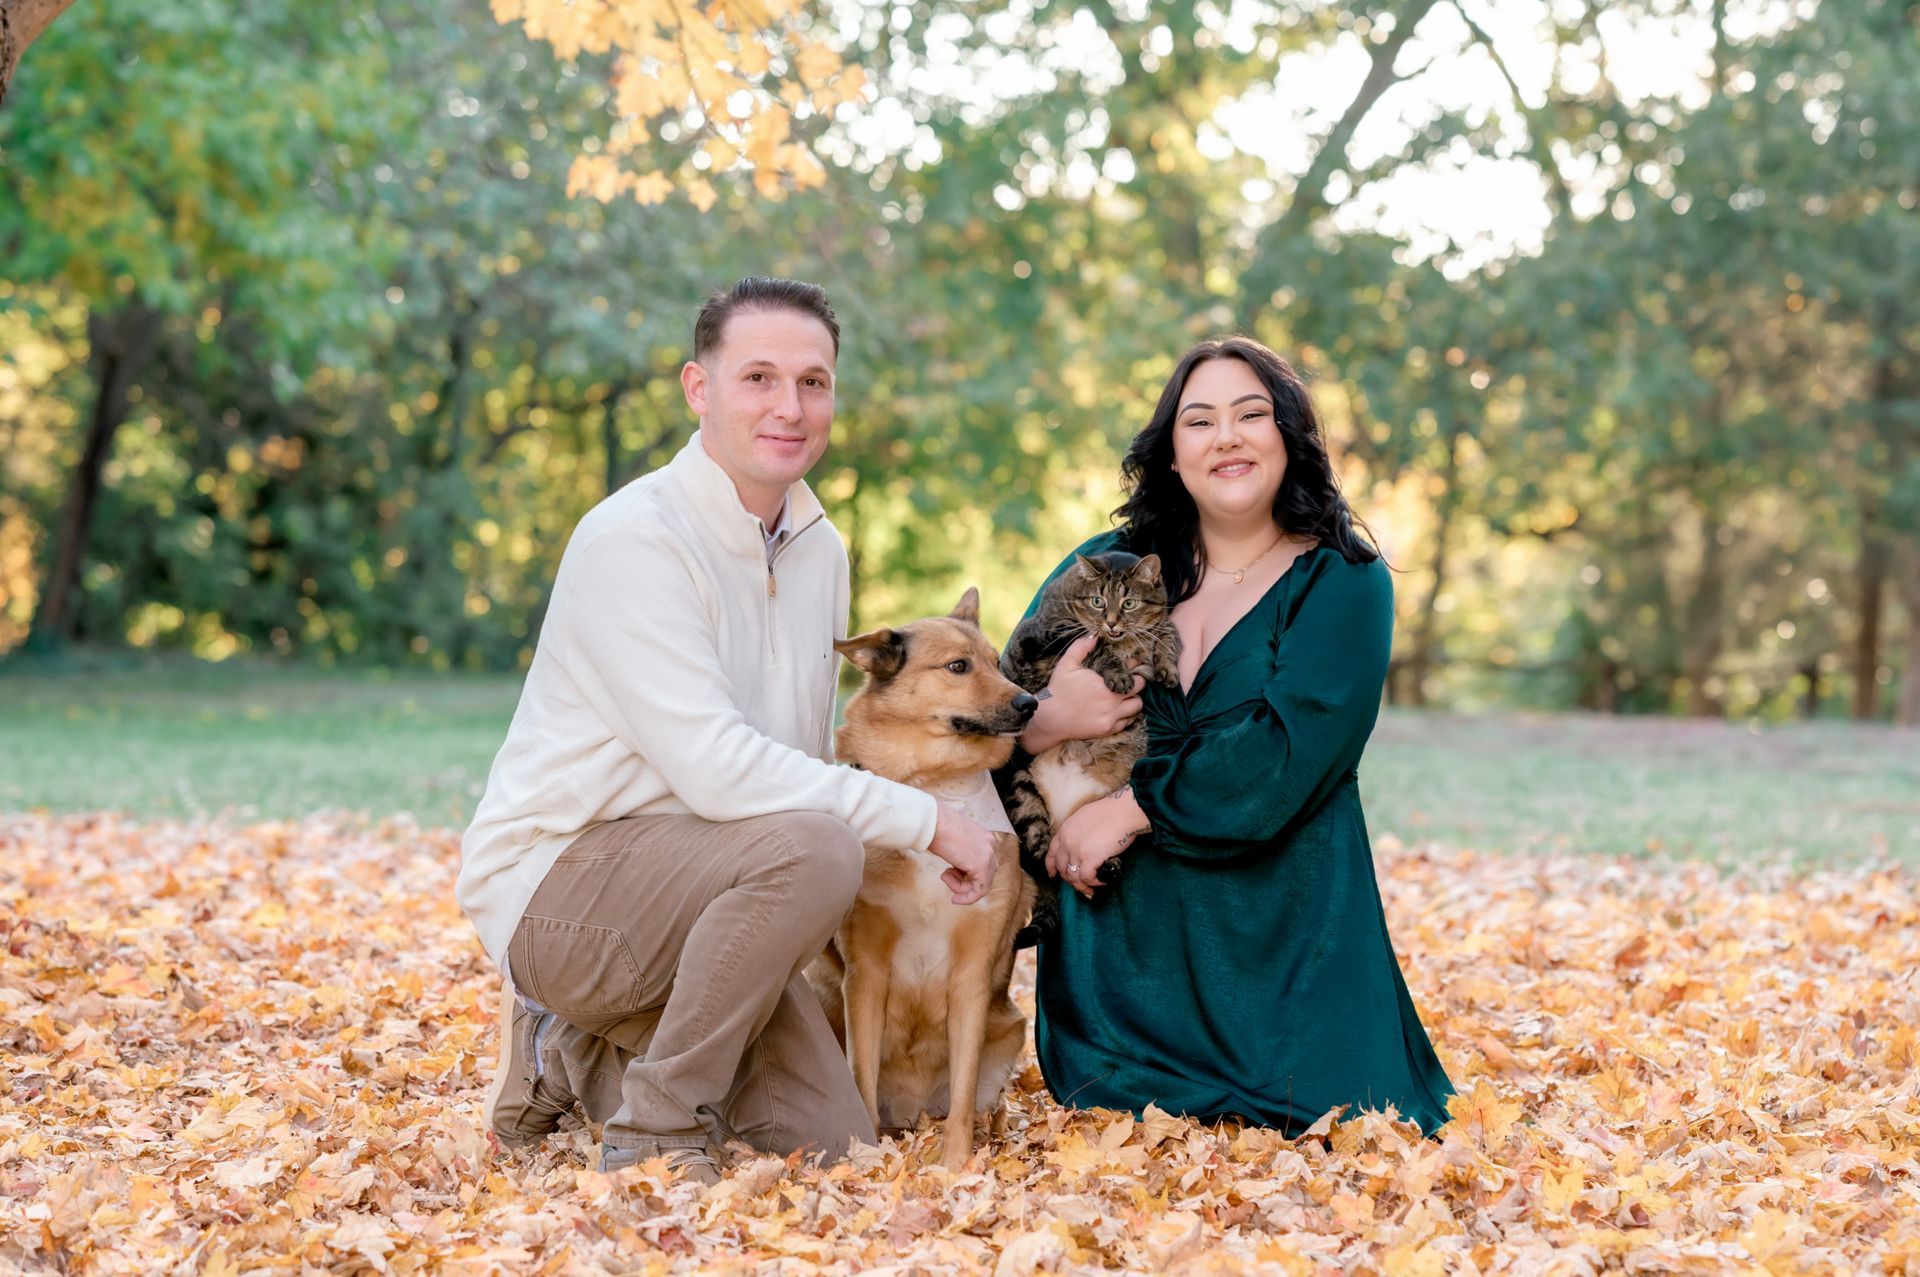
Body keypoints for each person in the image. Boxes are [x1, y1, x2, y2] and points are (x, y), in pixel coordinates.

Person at [456, 277, 1000, 1184]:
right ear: (698, 388)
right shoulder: (635, 539)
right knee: (821, 849)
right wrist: (928, 822)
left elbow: (787, 752)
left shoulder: (819, 545)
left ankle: (569, 1050)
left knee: (831, 1140)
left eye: (814, 382)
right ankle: (657, 1130)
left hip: (713, 889)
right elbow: (717, 770)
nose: (790, 406)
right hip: (562, 885)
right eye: (758, 377)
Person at [1012, 336, 1455, 1135]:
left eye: (1252, 414)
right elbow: (998, 705)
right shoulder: (1104, 568)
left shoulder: (1345, 579)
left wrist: (1131, 807)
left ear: (1289, 436)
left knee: (1343, 1124)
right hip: (1113, 992)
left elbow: (1288, 753)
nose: (1227, 436)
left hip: (1287, 965)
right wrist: (1050, 719)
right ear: (1171, 454)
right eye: (1200, 420)